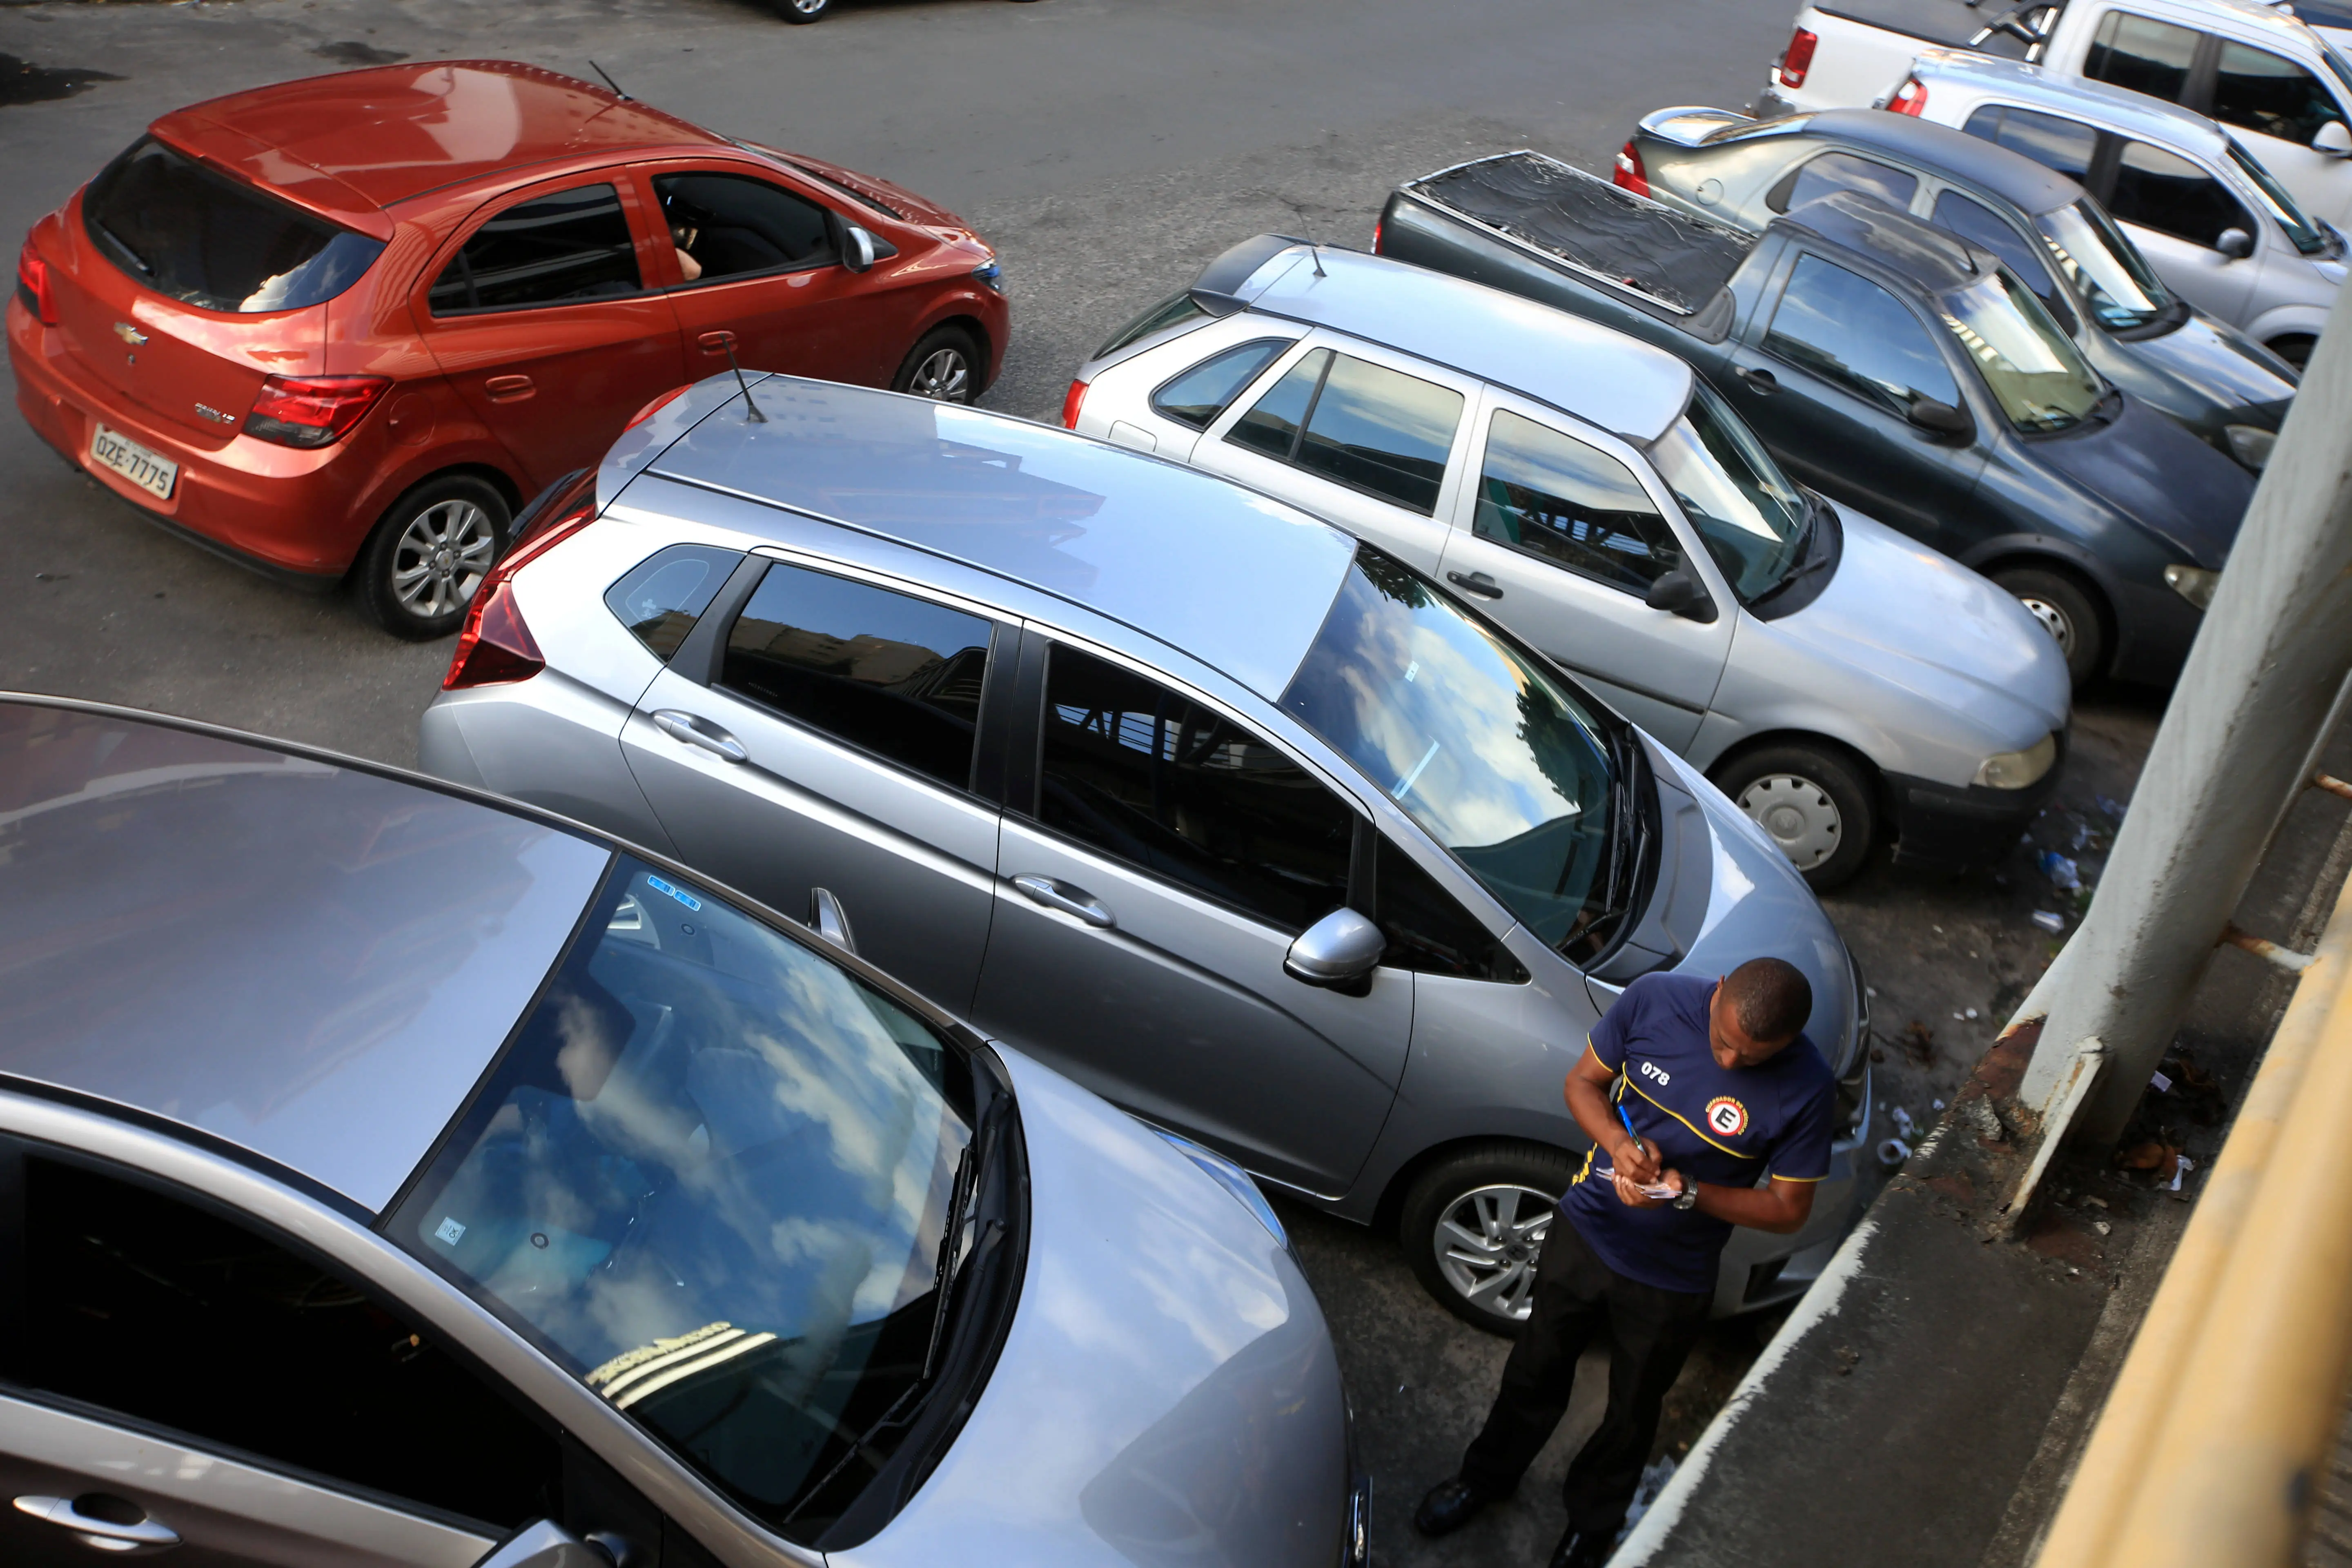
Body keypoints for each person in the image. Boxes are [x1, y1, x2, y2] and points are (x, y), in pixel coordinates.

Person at [1414, 958, 1836, 1568]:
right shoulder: (1654, 1001)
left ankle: (1592, 1525)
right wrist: (1619, 1146)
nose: (1729, 1065)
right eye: (1722, 1043)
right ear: (1717, 994)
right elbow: (1582, 1084)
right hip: (1587, 1232)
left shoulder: (1808, 1086)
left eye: (1753, 1058)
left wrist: (1688, 1192)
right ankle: (1483, 1478)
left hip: (1674, 1276)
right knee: (1536, 1366)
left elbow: (1788, 1207)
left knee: (1633, 1409)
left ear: (1789, 1043)